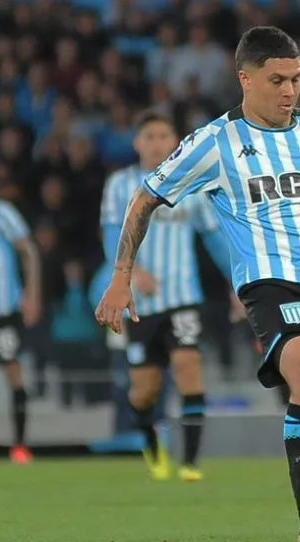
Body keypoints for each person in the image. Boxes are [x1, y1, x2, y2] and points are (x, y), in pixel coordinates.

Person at [95, 26, 300, 542]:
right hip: (271, 283)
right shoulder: (215, 142)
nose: (289, 90)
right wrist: (122, 276)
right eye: (277, 80)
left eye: (296, 79)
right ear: (246, 79)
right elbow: (145, 199)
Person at [99, 112, 239, 482]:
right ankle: (151, 444)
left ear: (175, 140)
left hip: (182, 297)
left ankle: (190, 462)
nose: (157, 143)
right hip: (141, 305)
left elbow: (214, 238)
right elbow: (111, 232)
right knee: (143, 392)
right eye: (150, 136)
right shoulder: (120, 185)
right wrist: (131, 273)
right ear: (137, 143)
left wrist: (236, 283)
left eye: (164, 135)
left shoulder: (191, 183)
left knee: (189, 367)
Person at [0, 189, 40, 464]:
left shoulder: (0, 213)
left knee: (13, 372)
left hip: (3, 311)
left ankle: (20, 444)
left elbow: (28, 251)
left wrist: (32, 293)